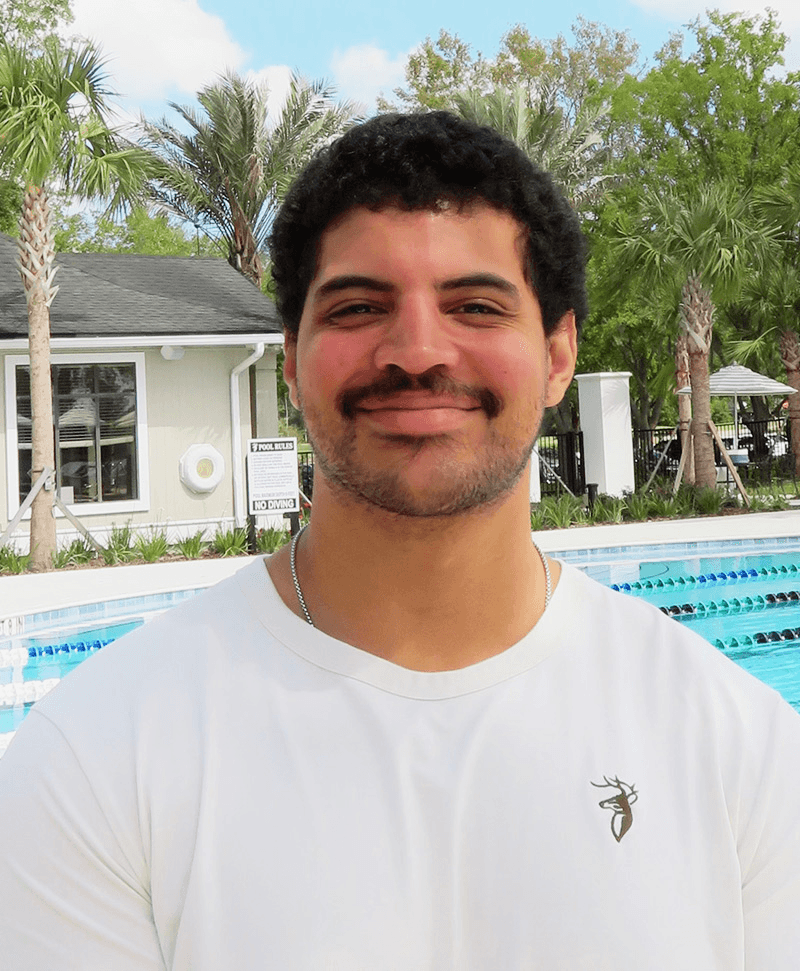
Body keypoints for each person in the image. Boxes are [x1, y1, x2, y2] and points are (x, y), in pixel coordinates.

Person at [1, 111, 799, 970]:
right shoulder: (98, 755)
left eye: (476, 305)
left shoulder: (737, 746)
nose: (417, 351)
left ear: (559, 354)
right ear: (295, 359)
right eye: (359, 306)